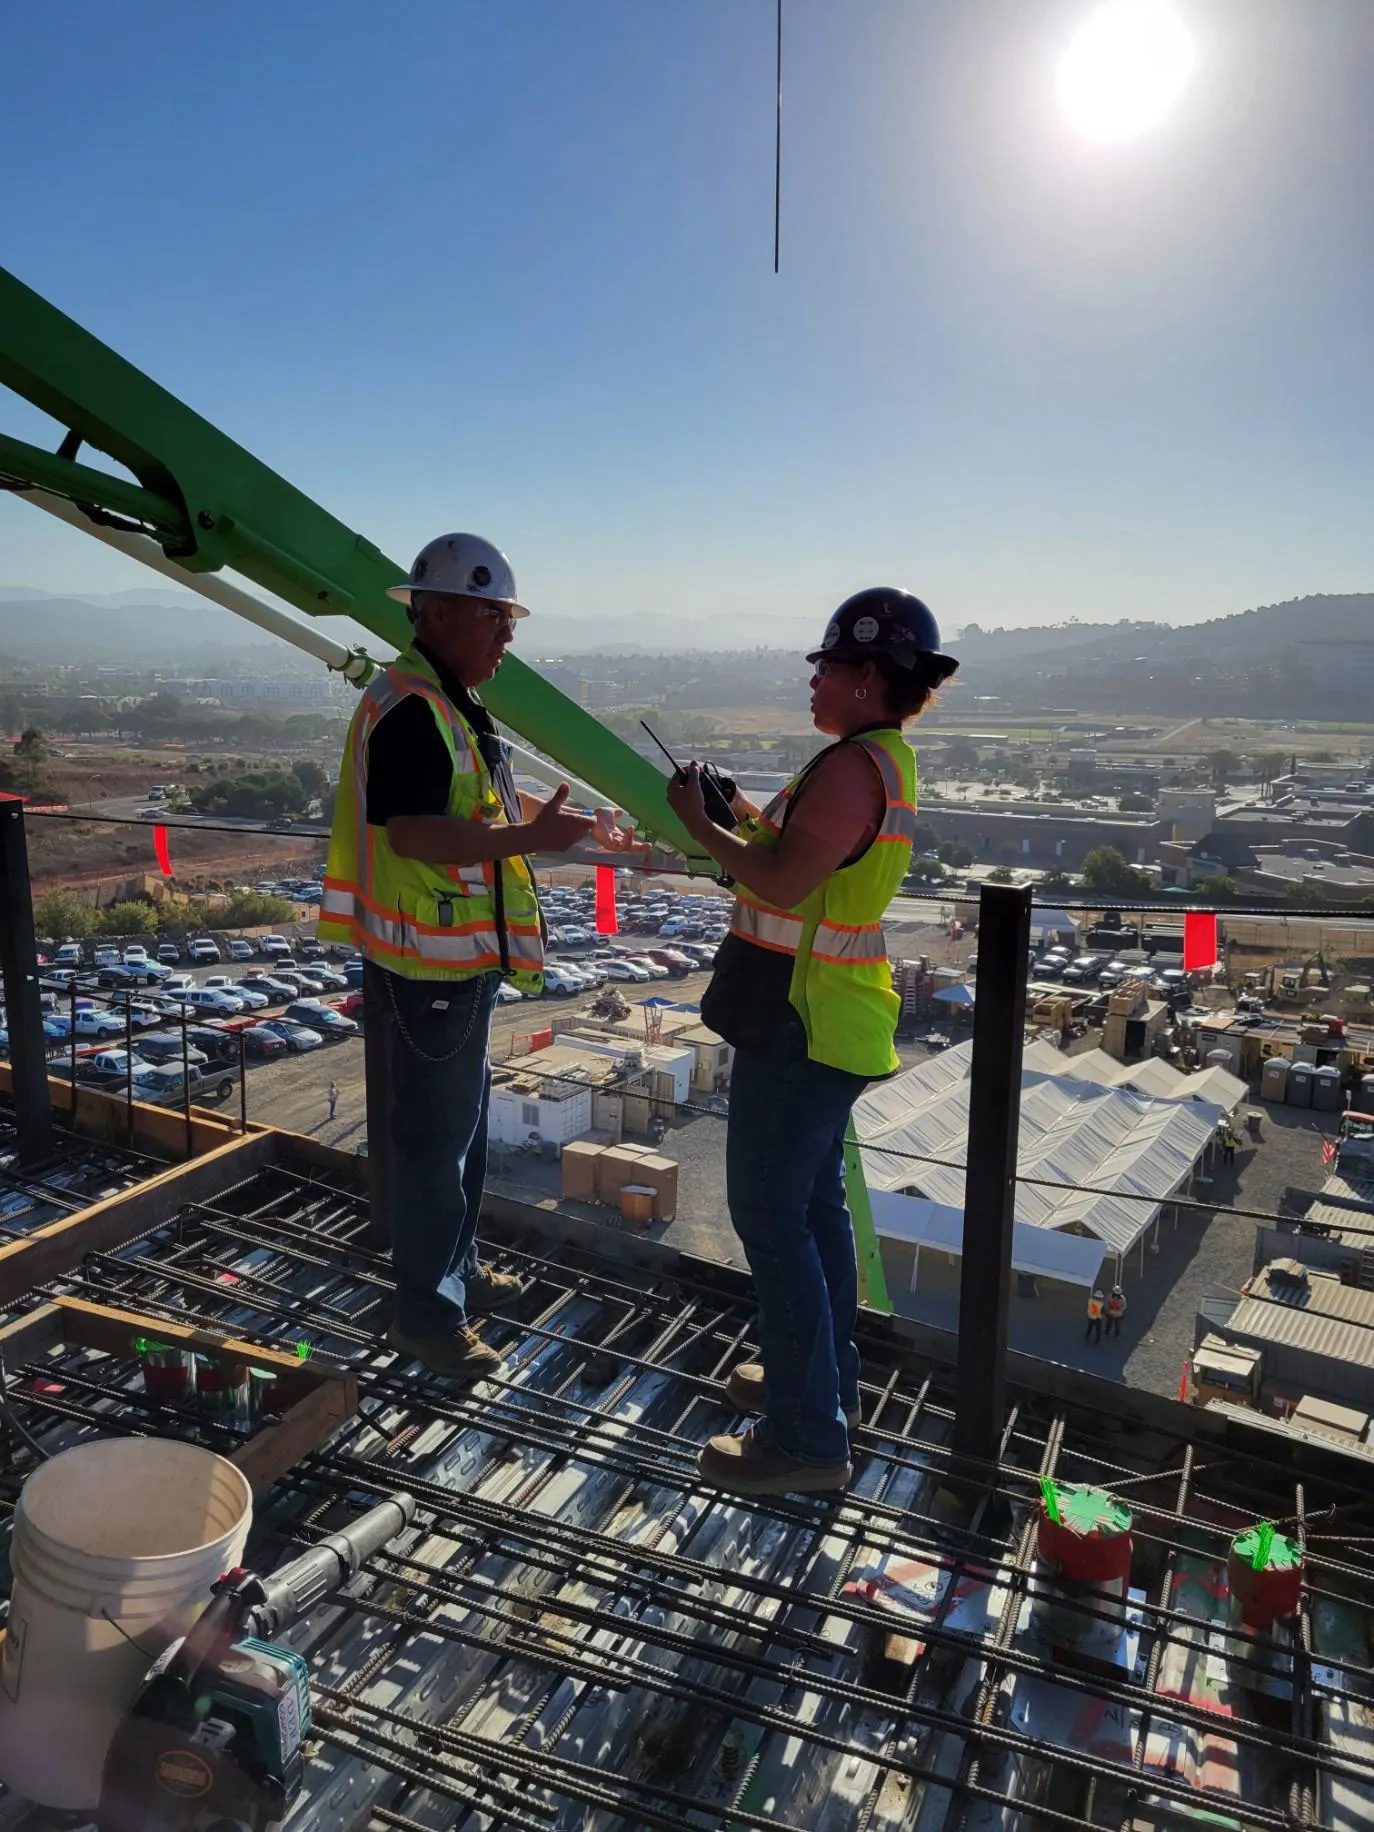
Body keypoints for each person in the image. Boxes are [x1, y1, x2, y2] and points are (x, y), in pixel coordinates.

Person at [667, 588, 957, 1496]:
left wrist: (701, 826)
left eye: (827, 664)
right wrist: (744, 808)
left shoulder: (848, 769)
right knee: (816, 1212)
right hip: (830, 1017)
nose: (814, 677)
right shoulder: (879, 761)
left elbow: (788, 885)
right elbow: (812, 859)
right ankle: (821, 1387)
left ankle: (803, 1437)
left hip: (799, 1024)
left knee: (769, 1217)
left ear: (869, 675)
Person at [319, 533, 618, 1381]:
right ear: (439, 612)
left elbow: (477, 794)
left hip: (452, 965)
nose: (506, 636)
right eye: (494, 616)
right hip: (429, 969)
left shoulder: (448, 702)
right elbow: (413, 831)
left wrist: (578, 827)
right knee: (433, 1146)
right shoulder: (415, 706)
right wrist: (533, 837)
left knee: (464, 1136)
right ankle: (426, 1316)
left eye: (507, 618)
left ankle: (456, 1272)